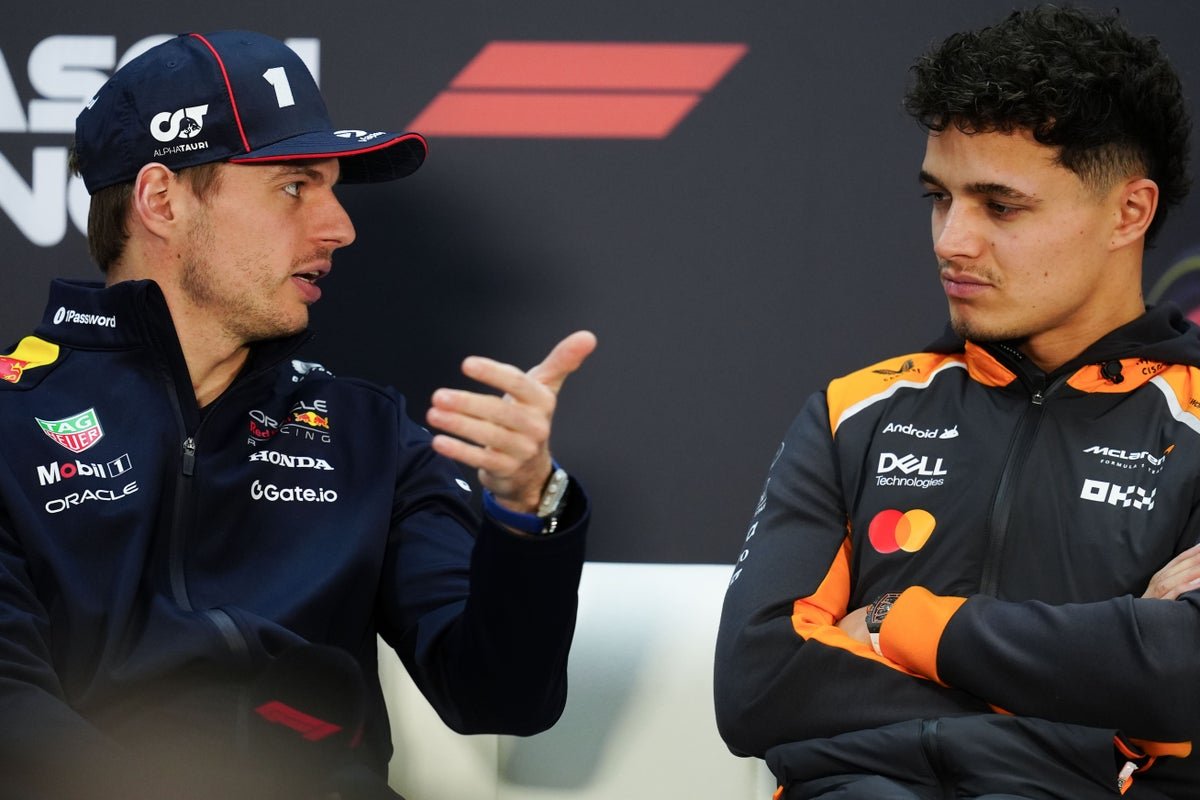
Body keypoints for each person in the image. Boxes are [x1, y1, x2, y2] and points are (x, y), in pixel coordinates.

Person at [0, 30, 596, 800]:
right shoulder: (13, 422)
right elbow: (13, 719)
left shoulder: (367, 434)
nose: (339, 228)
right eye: (294, 186)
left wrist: (527, 510)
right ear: (162, 200)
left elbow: (501, 696)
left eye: (332, 188)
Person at [714, 6, 1200, 799]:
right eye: (940, 198)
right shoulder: (853, 413)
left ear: (1129, 213)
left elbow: (1181, 673)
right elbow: (758, 684)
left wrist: (895, 621)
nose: (951, 241)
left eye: (1000, 207)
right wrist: (1090, 697)